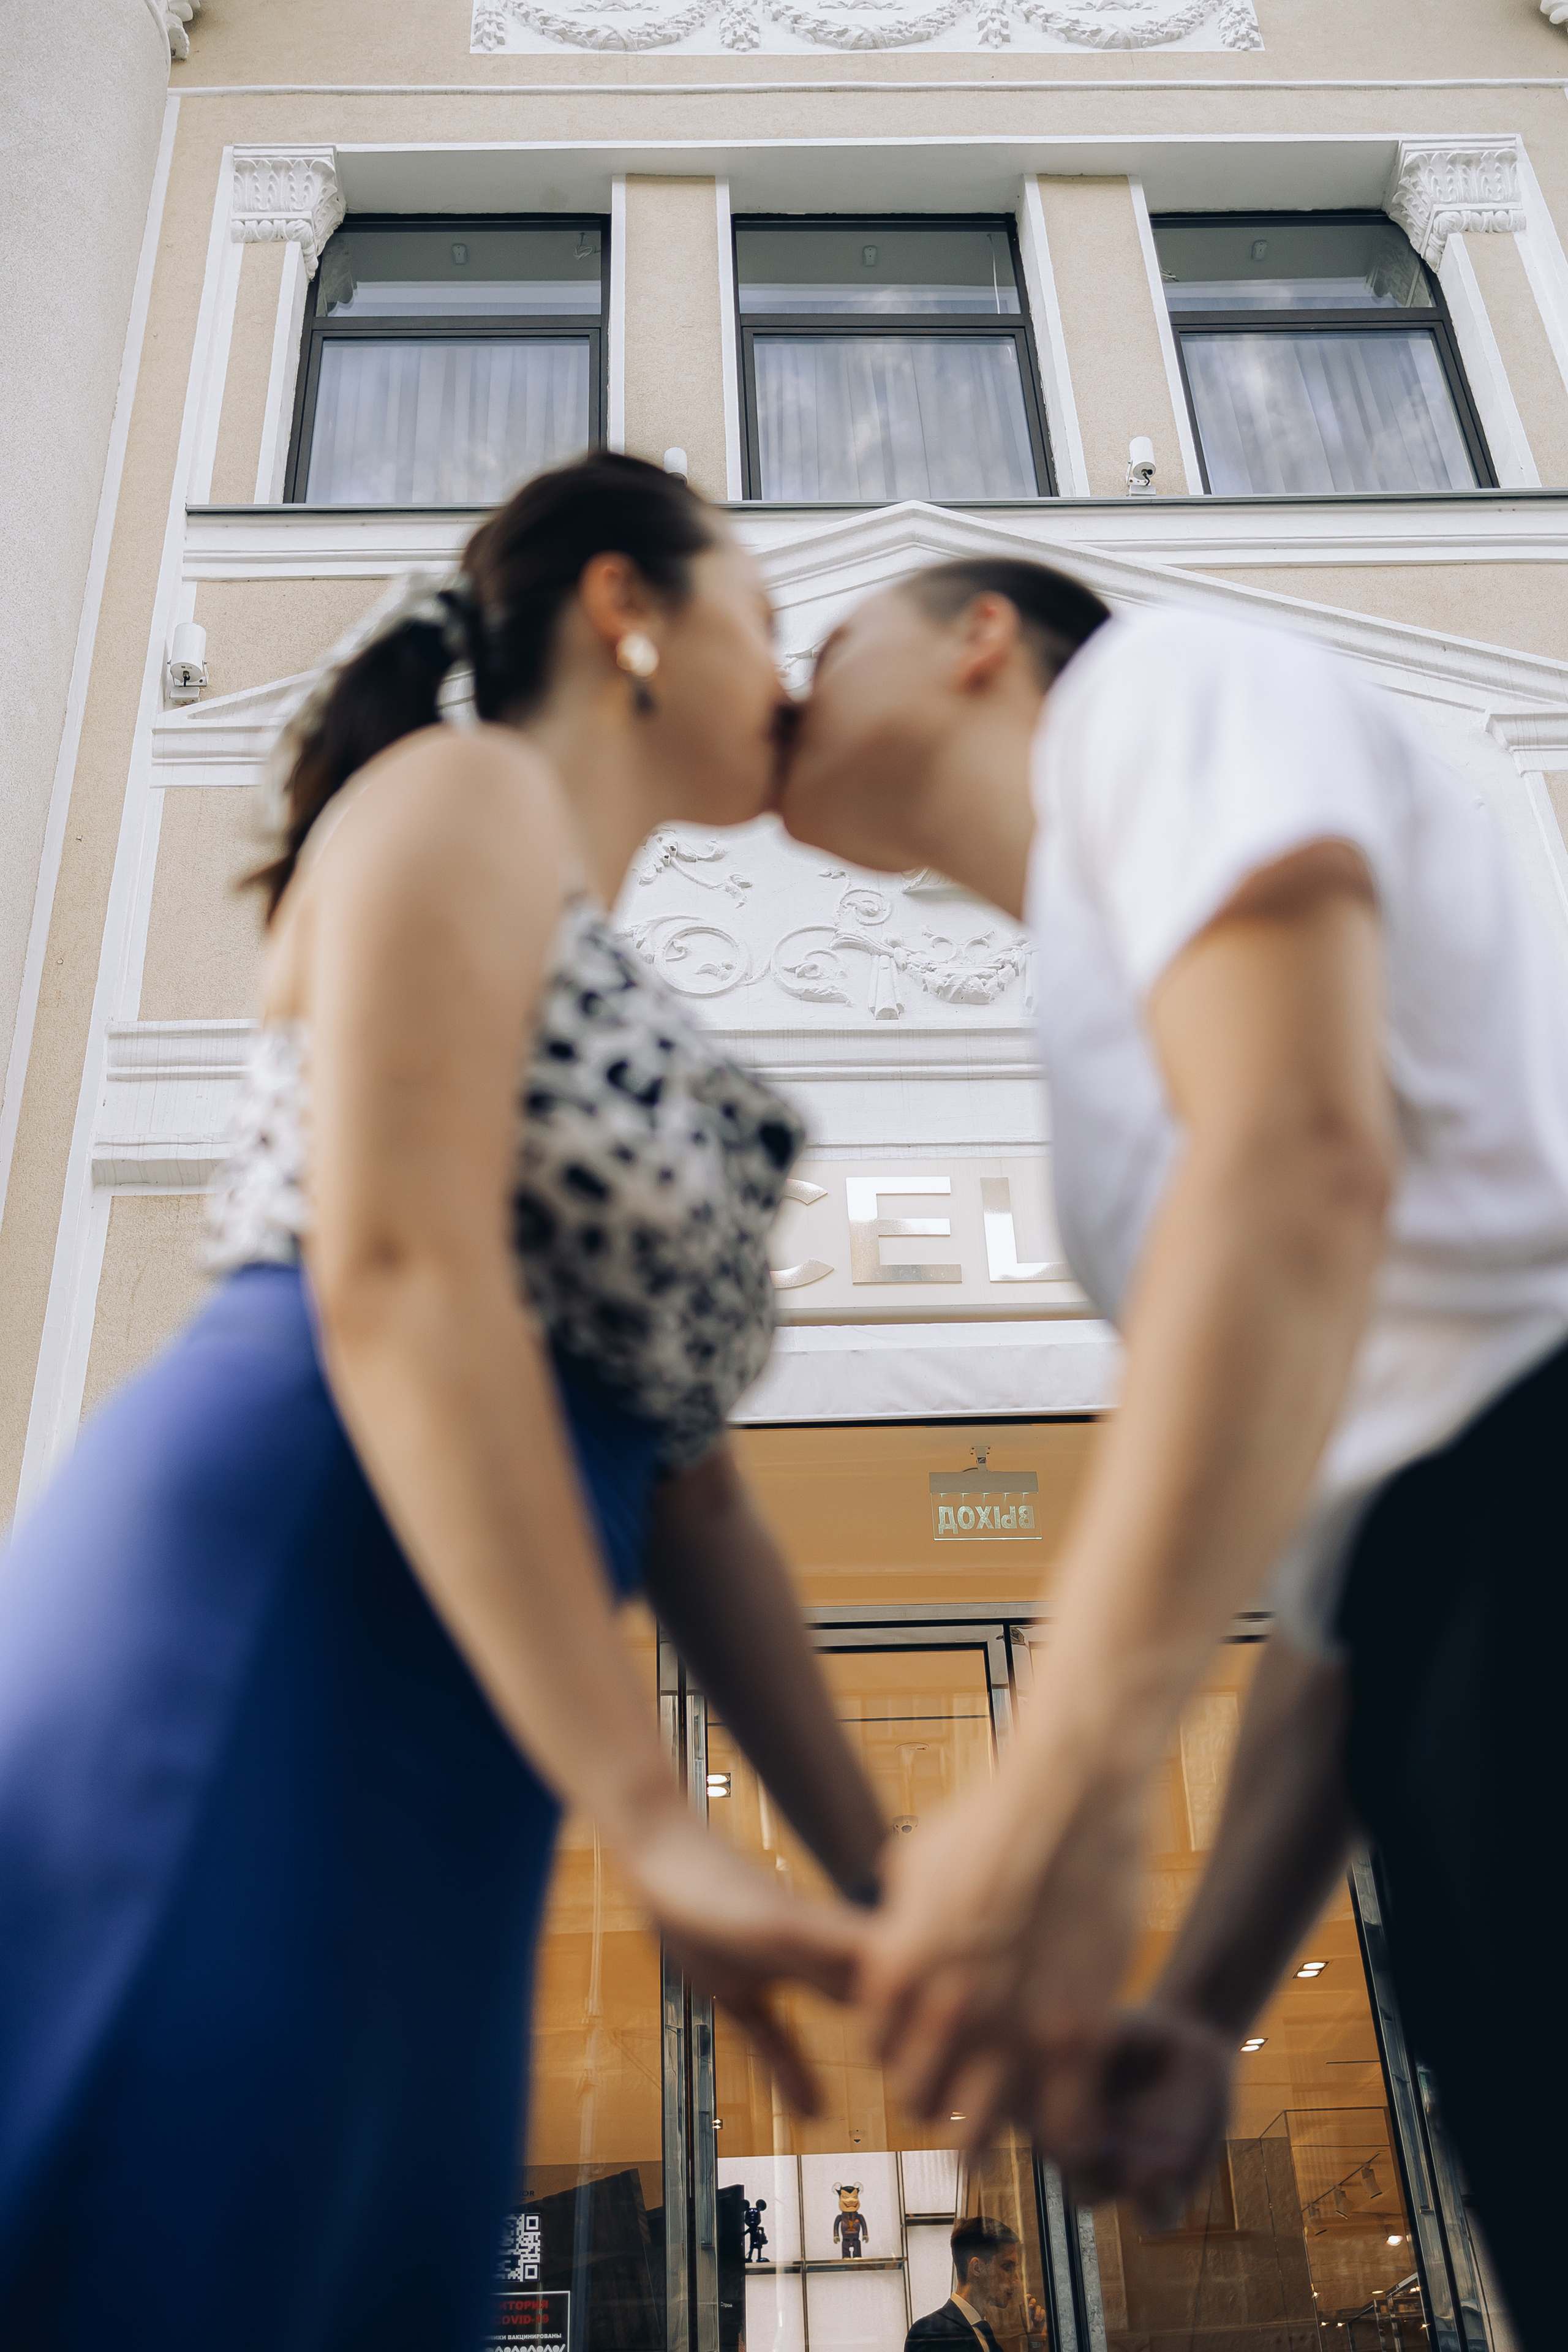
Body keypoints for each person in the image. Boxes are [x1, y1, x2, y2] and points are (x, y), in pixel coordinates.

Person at [0, 453, 888, 2351]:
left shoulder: (596, 952)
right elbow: (398, 1269)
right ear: (622, 612)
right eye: (765, 622)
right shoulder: (462, 791)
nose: (792, 680)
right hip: (294, 1561)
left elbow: (696, 1494)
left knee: (336, 2250)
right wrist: (653, 1820)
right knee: (169, 2230)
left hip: (463, 1664)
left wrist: (889, 1895)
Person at [780, 556, 1568, 2348]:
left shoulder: (1156, 689)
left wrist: (1056, 1787)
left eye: (831, 645)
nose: (784, 689)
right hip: (1443, 1626)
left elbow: (1293, 1160)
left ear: (984, 642)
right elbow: (1329, 1542)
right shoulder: (1101, 977)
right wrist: (1204, 2000)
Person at [904, 2215, 1032, 2352]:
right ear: (977, 2268)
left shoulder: (987, 2337)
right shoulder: (930, 2333)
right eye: (1007, 2267)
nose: (1017, 2282)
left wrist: (1035, 2339)